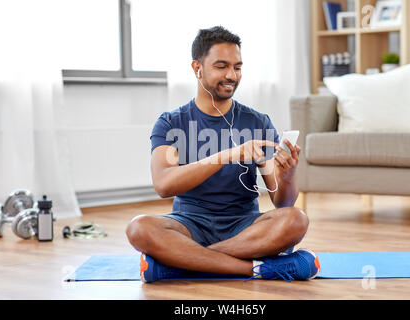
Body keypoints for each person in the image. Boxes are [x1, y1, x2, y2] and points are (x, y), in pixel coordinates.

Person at [126, 26, 320, 283]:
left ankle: (181, 264)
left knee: (297, 220)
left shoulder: (258, 122)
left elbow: (283, 204)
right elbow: (163, 184)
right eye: (221, 66)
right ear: (197, 68)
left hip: (245, 227)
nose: (231, 75)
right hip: (188, 224)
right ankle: (261, 268)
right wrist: (226, 155)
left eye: (237, 67)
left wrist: (287, 176)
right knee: (139, 228)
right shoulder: (171, 122)